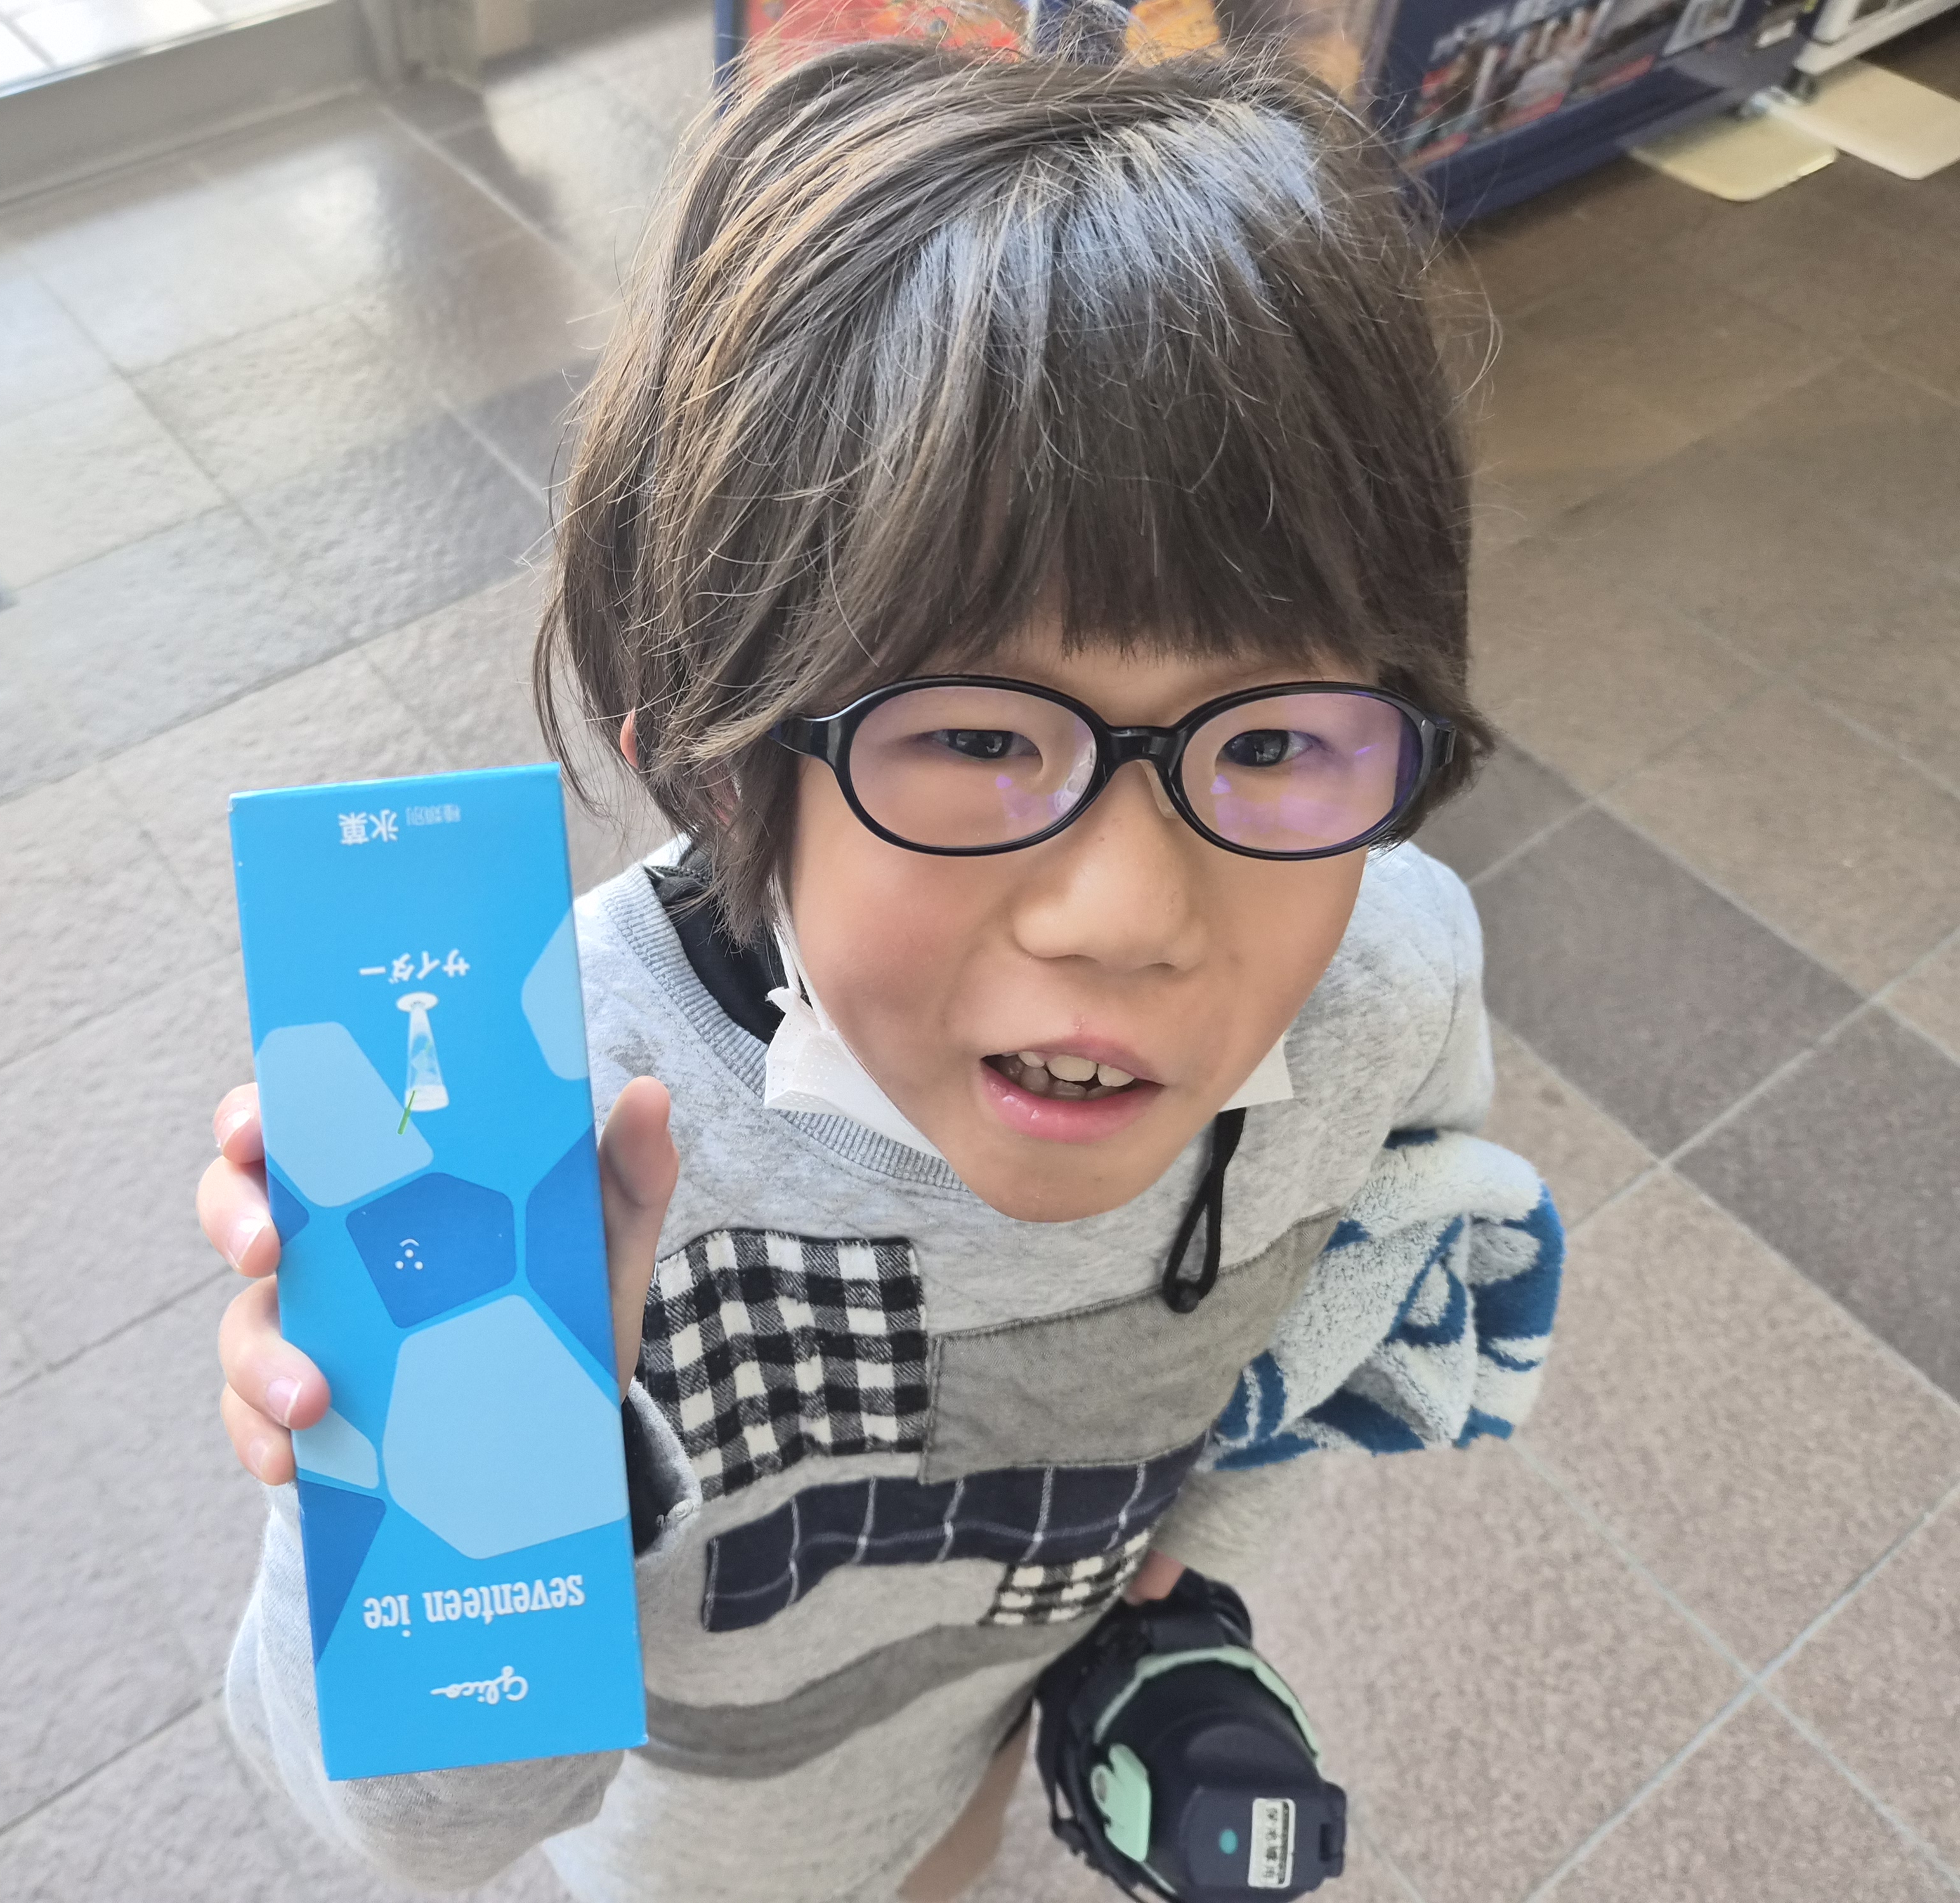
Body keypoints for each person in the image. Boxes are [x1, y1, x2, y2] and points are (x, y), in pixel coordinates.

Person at [198, 32, 1562, 1902]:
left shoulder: (1386, 986)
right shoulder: (548, 1127)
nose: (1129, 915)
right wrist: (460, 1468)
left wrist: (1191, 1580)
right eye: (979, 737)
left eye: (1268, 740)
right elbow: (419, 1830)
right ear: (717, 759)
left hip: (977, 1768)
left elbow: (1328, 1296)